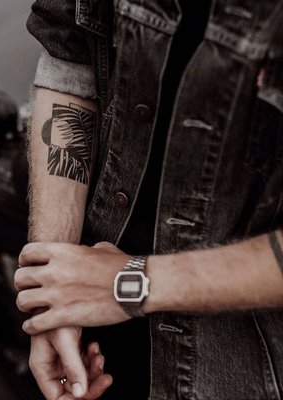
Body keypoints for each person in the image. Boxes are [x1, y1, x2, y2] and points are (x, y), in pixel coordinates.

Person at [14, 1, 283, 399]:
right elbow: (69, 56)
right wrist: (56, 292)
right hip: (97, 328)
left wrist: (127, 284)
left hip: (244, 368)